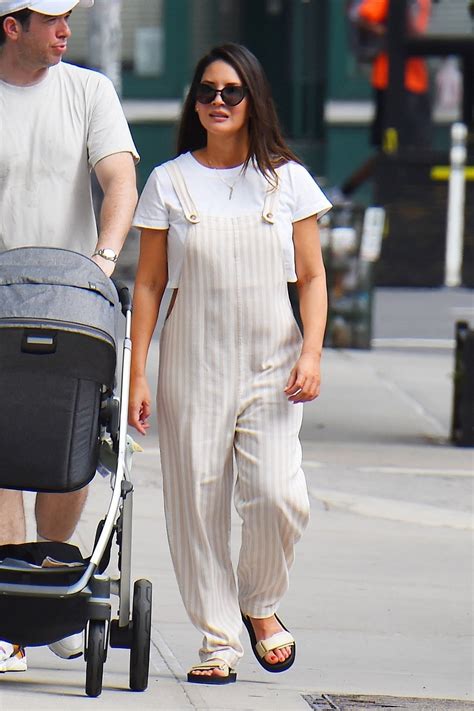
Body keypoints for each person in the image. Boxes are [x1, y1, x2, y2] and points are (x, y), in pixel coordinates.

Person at [129, 43, 330, 685]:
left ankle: (260, 603)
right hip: (192, 358)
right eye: (207, 91)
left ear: (252, 101)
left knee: (278, 494)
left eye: (232, 92)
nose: (218, 102)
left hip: (272, 360)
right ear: (195, 101)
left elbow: (312, 274)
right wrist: (137, 371)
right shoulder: (169, 181)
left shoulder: (287, 180)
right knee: (197, 502)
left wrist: (312, 351)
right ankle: (219, 640)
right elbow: (150, 285)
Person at [0, 0, 139, 672]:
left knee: (72, 442)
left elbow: (118, 178)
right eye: (52, 19)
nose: (66, 30)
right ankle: (11, 618)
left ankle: (51, 574)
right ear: (11, 26)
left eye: (70, 18)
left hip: (71, 304)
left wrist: (105, 256)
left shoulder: (89, 92)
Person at [338, 0, 432, 199]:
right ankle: (348, 192)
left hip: (417, 82)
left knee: (417, 149)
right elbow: (361, 16)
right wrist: (390, 37)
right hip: (390, 82)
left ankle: (347, 191)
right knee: (389, 149)